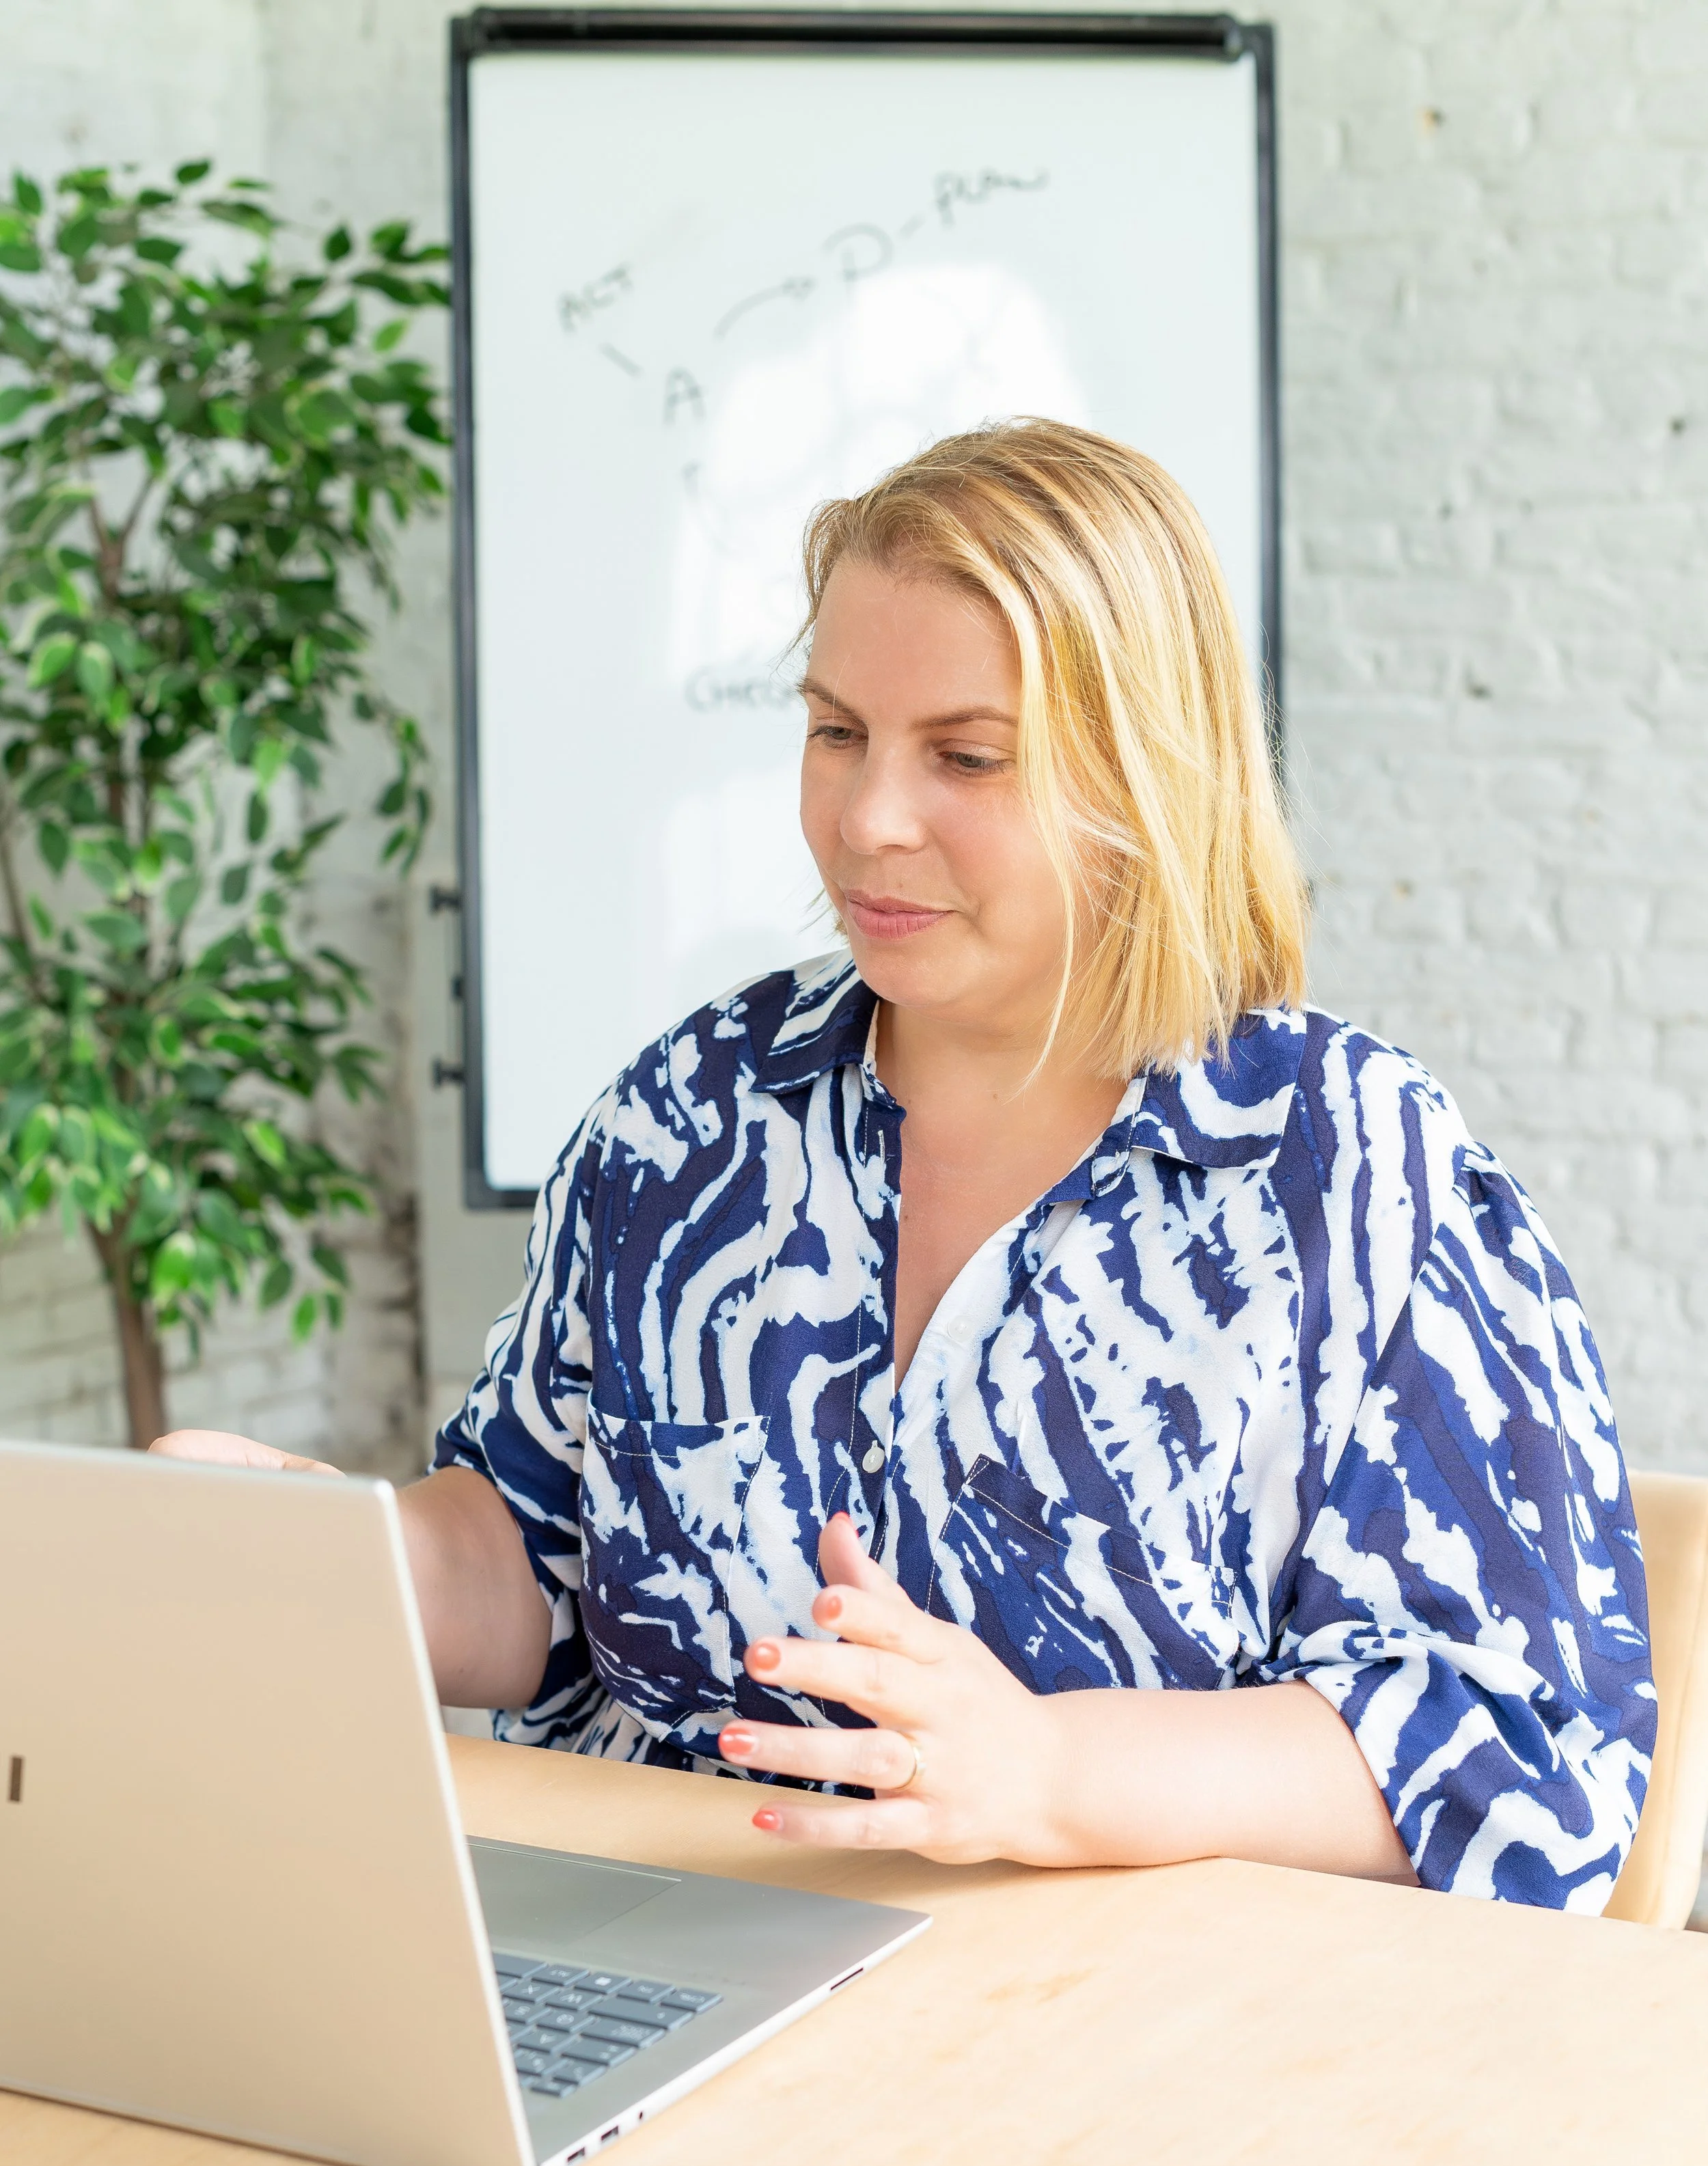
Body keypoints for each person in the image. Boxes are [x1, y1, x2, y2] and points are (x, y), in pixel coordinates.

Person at [159, 419, 1655, 1908]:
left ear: (1144, 779)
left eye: (966, 756)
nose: (868, 819)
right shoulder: (691, 1113)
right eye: (835, 732)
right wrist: (329, 1564)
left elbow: (1527, 1757)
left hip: (1141, 2046)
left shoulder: (1346, 1167)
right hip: (660, 1965)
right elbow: (542, 1557)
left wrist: (1046, 1774)